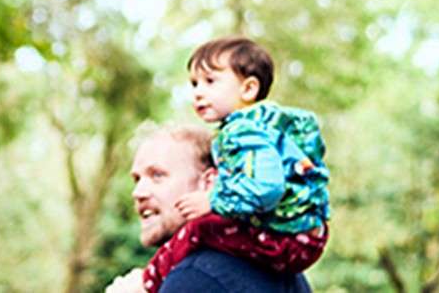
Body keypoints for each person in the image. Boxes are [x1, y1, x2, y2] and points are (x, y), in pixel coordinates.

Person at [141, 37, 331, 292]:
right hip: (302, 236)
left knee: (198, 229)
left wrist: (214, 200)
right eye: (194, 83)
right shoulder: (266, 128)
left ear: (249, 89)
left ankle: (148, 282)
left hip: (286, 237)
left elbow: (268, 188)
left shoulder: (242, 131)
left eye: (210, 81)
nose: (198, 92)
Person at [105, 124, 311, 292]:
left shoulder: (195, 277)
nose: (138, 192)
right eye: (136, 179)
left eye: (157, 175)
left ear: (209, 183)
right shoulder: (280, 264)